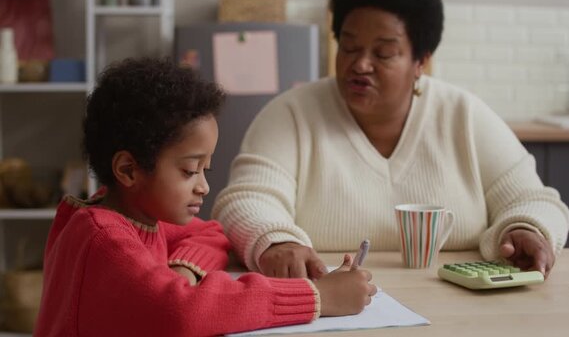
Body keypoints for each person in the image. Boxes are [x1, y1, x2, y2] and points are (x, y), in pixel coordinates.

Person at [213, 0, 569, 281]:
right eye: (349, 47)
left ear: (421, 61)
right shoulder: (290, 114)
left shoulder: (464, 116)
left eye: (383, 53)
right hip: (329, 310)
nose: (360, 64)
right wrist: (276, 240)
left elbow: (535, 200)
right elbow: (247, 200)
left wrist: (527, 229)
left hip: (458, 315)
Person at [34, 58, 376, 336]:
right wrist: (319, 297)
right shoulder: (104, 239)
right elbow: (183, 312)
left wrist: (184, 267)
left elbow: (211, 233)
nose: (203, 187)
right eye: (189, 171)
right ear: (128, 170)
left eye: (205, 170)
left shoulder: (136, 216)